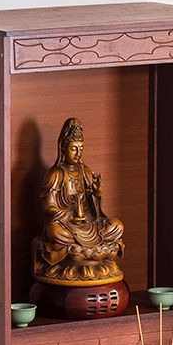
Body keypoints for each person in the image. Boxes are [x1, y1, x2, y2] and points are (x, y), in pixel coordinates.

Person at [33, 117, 124, 286]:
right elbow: (48, 206)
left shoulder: (85, 171)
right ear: (63, 148)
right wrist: (69, 216)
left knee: (117, 227)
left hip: (88, 225)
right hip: (66, 224)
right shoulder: (55, 174)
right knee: (56, 233)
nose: (78, 153)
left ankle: (85, 255)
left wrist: (95, 192)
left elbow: (95, 208)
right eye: (74, 149)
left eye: (81, 148)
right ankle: (82, 258)